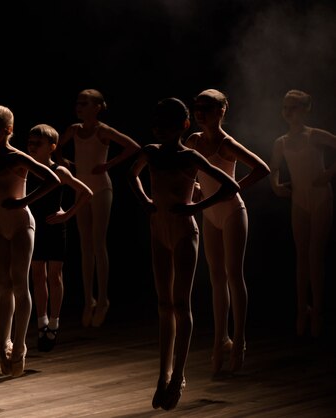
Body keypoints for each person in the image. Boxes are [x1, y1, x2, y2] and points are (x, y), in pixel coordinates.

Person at [127, 98, 239, 411]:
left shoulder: (189, 156)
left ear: (183, 127)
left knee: (180, 303)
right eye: (158, 125)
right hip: (159, 232)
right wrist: (145, 200)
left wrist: (195, 206)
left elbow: (230, 185)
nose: (161, 130)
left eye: (168, 125)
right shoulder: (150, 151)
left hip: (184, 232)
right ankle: (163, 375)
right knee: (164, 304)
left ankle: (178, 375)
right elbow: (131, 174)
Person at [0, 105, 60, 377]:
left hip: (21, 225)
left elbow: (52, 180)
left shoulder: (17, 157)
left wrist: (23, 201)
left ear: (8, 130)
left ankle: (20, 346)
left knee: (20, 284)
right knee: (2, 286)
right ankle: (3, 344)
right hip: (0, 225)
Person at [184, 89, 270, 373]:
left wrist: (232, 189)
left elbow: (261, 168)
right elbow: (190, 175)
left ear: (222, 110)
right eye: (197, 107)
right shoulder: (194, 140)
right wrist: (196, 191)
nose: (200, 112)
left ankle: (240, 340)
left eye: (206, 107)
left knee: (234, 275)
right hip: (210, 214)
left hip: (233, 212)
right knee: (216, 279)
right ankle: (221, 340)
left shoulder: (225, 143)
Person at [55, 89, 140, 327]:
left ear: (98, 107)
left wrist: (108, 164)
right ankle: (88, 300)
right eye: (78, 102)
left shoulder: (103, 131)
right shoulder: (73, 130)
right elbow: (57, 147)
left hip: (102, 189)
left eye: (85, 103)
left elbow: (133, 146)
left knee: (98, 243)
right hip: (81, 189)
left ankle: (103, 299)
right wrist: (63, 162)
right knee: (85, 245)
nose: (79, 106)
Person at [269, 89, 336, 339]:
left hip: (320, 198)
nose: (288, 112)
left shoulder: (315, 135)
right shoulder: (281, 142)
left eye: (294, 107)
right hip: (299, 200)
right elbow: (273, 168)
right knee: (301, 257)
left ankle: (317, 311)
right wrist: (276, 186)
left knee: (315, 255)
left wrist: (329, 173)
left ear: (305, 109)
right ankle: (301, 309)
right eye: (285, 107)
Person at [26, 123, 93, 352]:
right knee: (36, 275)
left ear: (52, 147)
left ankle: (54, 322)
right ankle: (41, 321)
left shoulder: (59, 171)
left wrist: (68, 214)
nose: (32, 147)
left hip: (54, 227)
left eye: (38, 143)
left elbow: (86, 192)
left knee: (54, 275)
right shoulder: (27, 168)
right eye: (30, 143)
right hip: (34, 226)